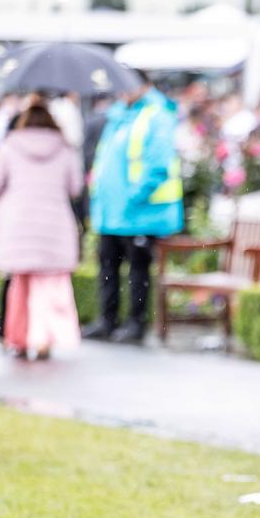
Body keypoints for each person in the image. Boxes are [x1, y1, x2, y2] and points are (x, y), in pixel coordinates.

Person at [0, 104, 83, 360]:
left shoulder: (10, 146)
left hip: (18, 226)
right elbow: (75, 188)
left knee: (20, 287)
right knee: (52, 286)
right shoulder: (65, 148)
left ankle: (19, 339)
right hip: (55, 227)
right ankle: (45, 340)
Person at [84, 71, 183, 344]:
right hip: (112, 212)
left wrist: (133, 196)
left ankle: (135, 323)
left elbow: (157, 165)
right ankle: (107, 319)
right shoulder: (117, 115)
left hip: (140, 213)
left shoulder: (156, 114)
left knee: (138, 271)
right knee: (108, 267)